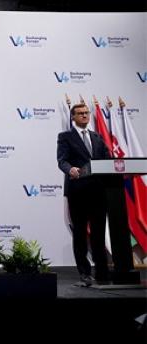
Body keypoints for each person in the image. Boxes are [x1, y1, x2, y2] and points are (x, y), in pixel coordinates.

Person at [57, 103, 110, 285]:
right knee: (79, 233)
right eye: (80, 113)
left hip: (98, 192)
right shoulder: (65, 137)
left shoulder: (97, 137)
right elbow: (62, 160)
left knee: (98, 233)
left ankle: (102, 273)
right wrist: (70, 169)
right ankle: (85, 273)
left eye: (87, 113)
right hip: (78, 191)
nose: (85, 115)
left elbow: (107, 160)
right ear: (73, 117)